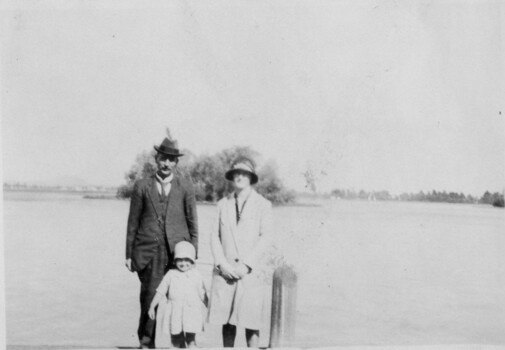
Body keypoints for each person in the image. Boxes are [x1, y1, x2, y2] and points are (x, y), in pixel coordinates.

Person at [125, 137, 199, 349]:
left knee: (184, 300)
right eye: (163, 159)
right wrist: (129, 254)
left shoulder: (186, 187)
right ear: (156, 160)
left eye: (171, 160)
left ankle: (186, 344)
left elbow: (193, 221)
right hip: (149, 253)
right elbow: (133, 222)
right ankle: (147, 343)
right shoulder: (141, 186)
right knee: (149, 300)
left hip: (180, 254)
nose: (166, 164)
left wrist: (193, 253)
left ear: (176, 163)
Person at [207, 157, 273, 347]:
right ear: (232, 176)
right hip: (226, 272)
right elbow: (214, 237)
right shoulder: (222, 204)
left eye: (244, 173)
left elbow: (266, 238)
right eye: (237, 173)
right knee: (227, 322)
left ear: (251, 178)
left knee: (251, 323)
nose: (240, 176)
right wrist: (221, 264)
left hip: (250, 273)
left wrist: (246, 265)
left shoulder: (263, 205)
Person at [148, 241, 208, 348]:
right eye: (179, 260)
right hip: (175, 312)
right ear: (175, 261)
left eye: (187, 260)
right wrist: (152, 306)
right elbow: (160, 291)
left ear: (192, 261)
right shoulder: (171, 274)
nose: (183, 263)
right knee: (175, 340)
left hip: (191, 311)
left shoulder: (196, 275)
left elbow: (202, 293)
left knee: (191, 340)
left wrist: (209, 307)